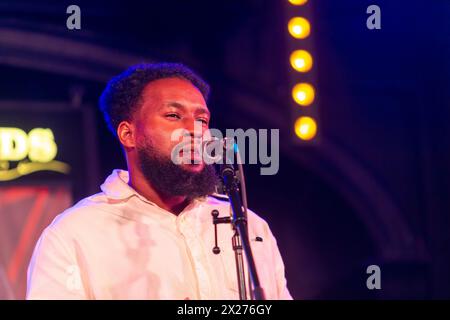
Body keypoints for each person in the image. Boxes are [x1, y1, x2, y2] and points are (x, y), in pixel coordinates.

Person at [26, 63, 292, 300]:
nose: (194, 130)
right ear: (128, 134)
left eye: (202, 120)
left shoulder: (249, 226)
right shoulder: (75, 233)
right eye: (174, 116)